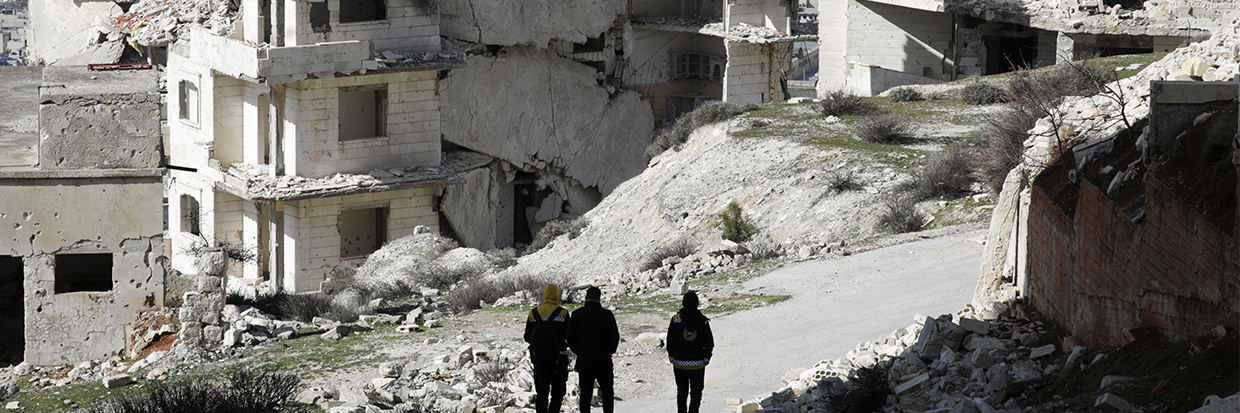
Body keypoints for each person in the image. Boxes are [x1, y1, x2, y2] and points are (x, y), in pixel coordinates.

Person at [566, 286, 620, 413]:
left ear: (585, 298)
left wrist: (579, 351)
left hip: (585, 360)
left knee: (585, 394)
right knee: (607, 393)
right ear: (599, 298)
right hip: (603, 361)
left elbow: (570, 338)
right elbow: (614, 337)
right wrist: (609, 351)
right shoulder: (607, 315)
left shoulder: (576, 314)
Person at [525, 283, 571, 413]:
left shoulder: (533, 313)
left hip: (539, 360)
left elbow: (527, 336)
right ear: (557, 296)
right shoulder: (563, 313)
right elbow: (569, 336)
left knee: (541, 393)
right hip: (559, 360)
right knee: (557, 393)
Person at [667, 290, 714, 413]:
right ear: (697, 304)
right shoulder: (703, 321)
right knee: (696, 392)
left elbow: (670, 340)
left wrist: (671, 357)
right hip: (698, 364)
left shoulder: (676, 319)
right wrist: (706, 358)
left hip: (679, 363)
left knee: (681, 392)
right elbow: (709, 342)